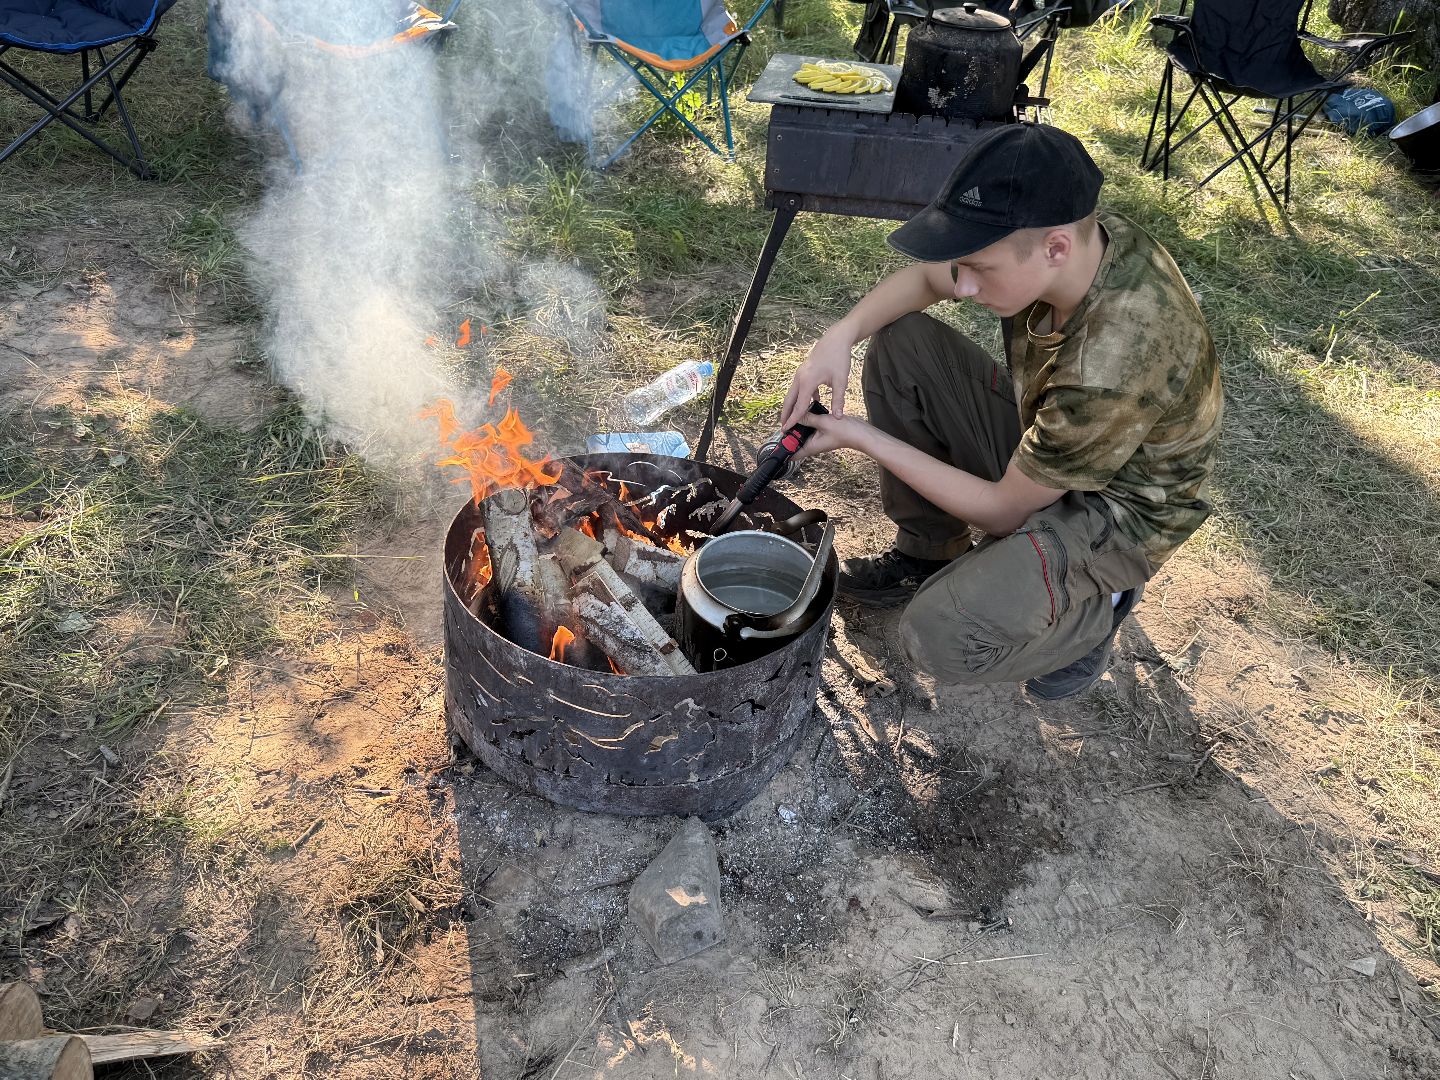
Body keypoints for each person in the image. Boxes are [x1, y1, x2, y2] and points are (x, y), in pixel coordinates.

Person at [779, 122, 1222, 699]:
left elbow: (1002, 513)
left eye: (979, 270)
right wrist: (840, 335)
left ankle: (1093, 613)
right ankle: (929, 550)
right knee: (901, 343)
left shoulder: (1113, 357)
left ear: (1055, 248)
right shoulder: (1073, 235)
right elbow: (927, 277)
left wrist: (861, 436)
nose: (961, 287)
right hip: (1063, 448)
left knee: (938, 634)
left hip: (1121, 514)